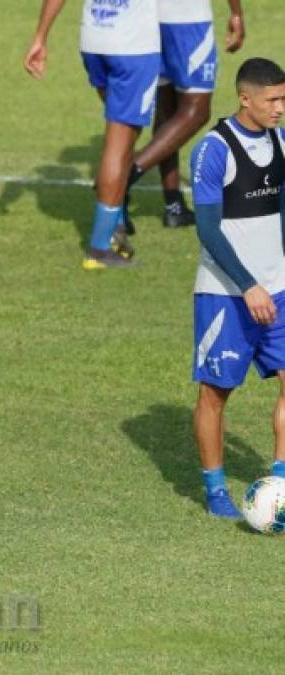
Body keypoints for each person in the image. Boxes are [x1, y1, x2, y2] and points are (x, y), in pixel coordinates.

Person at [190, 58, 285, 518]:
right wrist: (248, 285)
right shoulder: (214, 150)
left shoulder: (281, 141)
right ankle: (215, 491)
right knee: (215, 393)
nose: (280, 108)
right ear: (245, 98)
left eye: (284, 99)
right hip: (225, 294)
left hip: (280, 288)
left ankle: (280, 484)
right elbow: (208, 230)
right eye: (273, 100)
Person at [24, 0, 161, 269]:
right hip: (132, 47)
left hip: (95, 41)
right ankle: (99, 248)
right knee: (119, 141)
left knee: (119, 135)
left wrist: (41, 35)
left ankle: (115, 226)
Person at [123, 0, 245, 234]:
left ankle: (174, 205)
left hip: (148, 20)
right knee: (196, 111)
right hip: (188, 20)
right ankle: (124, 176)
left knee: (167, 111)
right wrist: (236, 13)